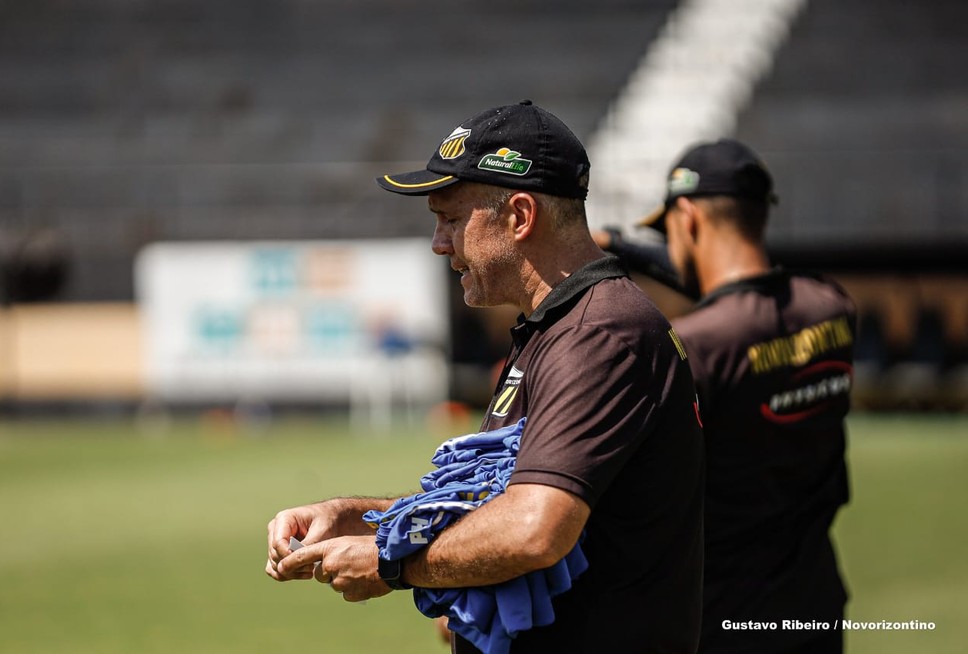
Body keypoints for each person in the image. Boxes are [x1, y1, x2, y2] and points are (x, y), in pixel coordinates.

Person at [266, 101, 705, 653]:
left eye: (450, 218)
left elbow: (533, 528)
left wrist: (390, 564)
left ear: (520, 216)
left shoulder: (599, 334)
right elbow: (500, 499)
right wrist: (364, 520)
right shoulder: (560, 325)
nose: (439, 243)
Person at [598, 138, 855, 654]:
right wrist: (623, 244)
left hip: (723, 621)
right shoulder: (832, 307)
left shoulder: (691, 350)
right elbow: (742, 301)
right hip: (816, 609)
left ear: (687, 217)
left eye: (668, 231)